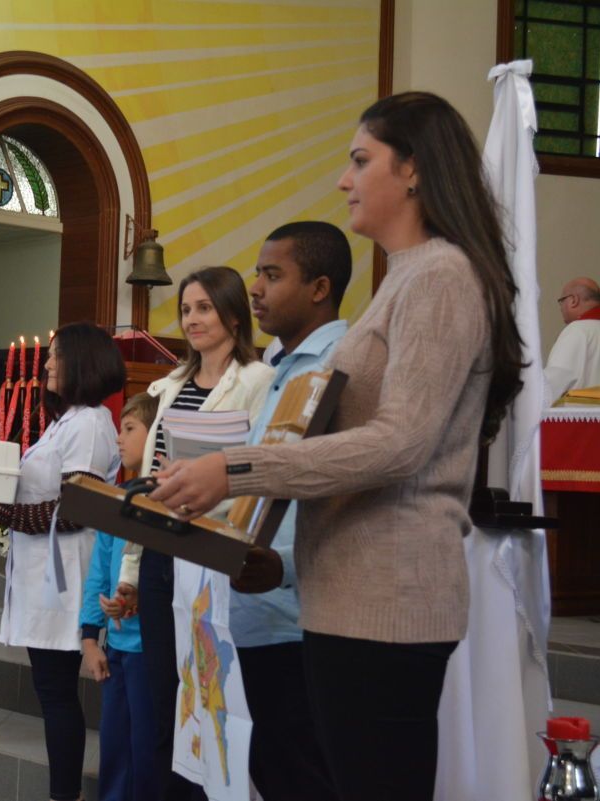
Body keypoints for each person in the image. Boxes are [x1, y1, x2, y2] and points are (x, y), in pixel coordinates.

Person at [149, 92, 525, 801]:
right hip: (345, 595)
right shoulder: (406, 277)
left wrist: (235, 469)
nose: (344, 180)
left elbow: (399, 445)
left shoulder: (441, 274)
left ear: (412, 169)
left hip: (389, 600)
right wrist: (271, 559)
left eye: (360, 161)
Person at [0, 322, 126, 801]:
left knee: (57, 695)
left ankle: (64, 795)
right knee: (52, 693)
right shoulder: (64, 420)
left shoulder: (89, 424)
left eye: (56, 356)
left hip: (64, 575)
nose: (47, 364)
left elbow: (76, 510)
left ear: (83, 362)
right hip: (43, 570)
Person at [116, 266, 273, 801]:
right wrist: (131, 572)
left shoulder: (258, 381)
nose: (193, 319)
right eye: (186, 309)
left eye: (204, 307)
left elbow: (263, 470)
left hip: (215, 551)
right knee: (167, 697)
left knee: (214, 697)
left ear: (233, 313)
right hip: (163, 548)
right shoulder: (171, 384)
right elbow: (152, 476)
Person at [228, 221, 349, 800]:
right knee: (272, 769)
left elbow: (346, 503)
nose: (255, 287)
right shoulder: (283, 367)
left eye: (273, 275)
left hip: (298, 614)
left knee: (305, 777)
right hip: (257, 609)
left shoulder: (341, 365)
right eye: (257, 273)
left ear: (320, 287)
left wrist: (285, 567)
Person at [81, 392, 158, 801]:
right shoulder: (118, 497)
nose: (119, 439)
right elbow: (99, 569)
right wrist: (90, 638)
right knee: (114, 751)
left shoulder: (166, 498)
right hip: (117, 647)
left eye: (129, 429)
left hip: (150, 648)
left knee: (147, 754)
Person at [544, 276, 600, 402]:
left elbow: (554, 384)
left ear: (574, 300)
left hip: (580, 420)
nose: (561, 307)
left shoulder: (577, 330)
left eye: (561, 301)